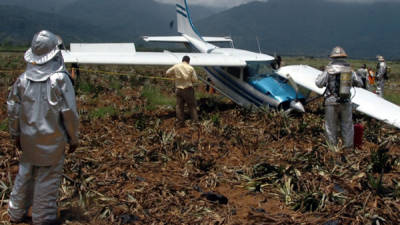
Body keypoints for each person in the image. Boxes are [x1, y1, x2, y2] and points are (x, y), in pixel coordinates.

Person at [7, 30, 79, 225]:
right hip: (52, 141)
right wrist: (74, 139)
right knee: (47, 180)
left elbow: (13, 108)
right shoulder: (60, 80)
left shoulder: (23, 80)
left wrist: (15, 134)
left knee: (25, 175)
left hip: (28, 139)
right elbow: (69, 113)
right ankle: (42, 217)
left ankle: (15, 212)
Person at [315, 46, 362, 149]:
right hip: (345, 101)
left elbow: (318, 83)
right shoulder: (349, 69)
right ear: (344, 57)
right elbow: (360, 82)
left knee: (330, 127)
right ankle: (348, 149)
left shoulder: (329, 69)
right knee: (347, 126)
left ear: (332, 57)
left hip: (331, 102)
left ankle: (333, 149)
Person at [166, 56, 198, 127]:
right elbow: (195, 80)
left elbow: (167, 72)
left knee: (179, 106)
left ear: (182, 60)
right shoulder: (190, 68)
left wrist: (175, 76)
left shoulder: (176, 66)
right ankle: (195, 123)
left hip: (178, 89)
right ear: (188, 61)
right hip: (188, 89)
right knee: (192, 106)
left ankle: (180, 123)